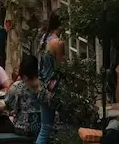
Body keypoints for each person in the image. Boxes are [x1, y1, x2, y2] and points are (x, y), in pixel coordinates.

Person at [37, 12, 65, 144]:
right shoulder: (58, 43)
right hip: (54, 88)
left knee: (45, 127)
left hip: (43, 86)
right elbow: (61, 66)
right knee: (65, 126)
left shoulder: (44, 38)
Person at [6, 55, 43, 139]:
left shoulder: (17, 87)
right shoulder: (46, 86)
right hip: (44, 129)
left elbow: (8, 104)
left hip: (23, 129)